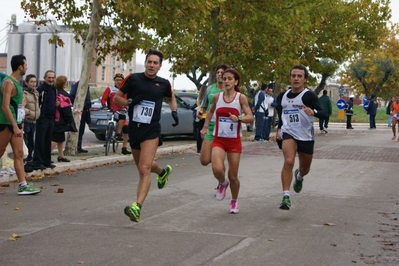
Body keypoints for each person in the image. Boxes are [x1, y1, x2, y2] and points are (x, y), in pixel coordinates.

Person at [114, 48, 179, 223]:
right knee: (144, 166)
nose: (151, 65)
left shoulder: (164, 83)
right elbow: (116, 98)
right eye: (149, 62)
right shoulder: (133, 79)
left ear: (160, 66)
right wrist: (129, 101)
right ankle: (163, 171)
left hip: (151, 130)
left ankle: (137, 207)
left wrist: (174, 111)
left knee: (144, 169)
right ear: (146, 63)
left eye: (155, 63)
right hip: (135, 129)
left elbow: (171, 97)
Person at [200, 68, 254, 213]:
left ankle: (234, 201)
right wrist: (205, 127)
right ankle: (223, 183)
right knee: (217, 169)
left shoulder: (240, 98)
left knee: (233, 175)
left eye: (230, 79)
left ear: (236, 82)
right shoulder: (217, 98)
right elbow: (211, 112)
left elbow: (250, 116)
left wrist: (239, 118)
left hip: (234, 141)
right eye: (225, 78)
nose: (227, 81)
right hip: (219, 139)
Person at [275, 65, 328, 210]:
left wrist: (314, 111)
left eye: (299, 76)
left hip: (305, 136)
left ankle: (299, 176)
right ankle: (286, 196)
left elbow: (324, 113)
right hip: (288, 133)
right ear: (290, 78)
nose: (296, 78)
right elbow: (282, 115)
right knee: (289, 160)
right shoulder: (282, 96)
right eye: (293, 76)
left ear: (304, 79)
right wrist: (279, 128)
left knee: (305, 168)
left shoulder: (309, 95)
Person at [0, 54, 41, 195]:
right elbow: (5, 107)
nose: (27, 67)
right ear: (20, 67)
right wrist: (15, 126)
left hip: (15, 124)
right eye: (26, 64)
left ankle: (23, 185)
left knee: (19, 153)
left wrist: (20, 123)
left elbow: (16, 106)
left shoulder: (16, 83)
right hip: (5, 123)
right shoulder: (8, 83)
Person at [197, 64, 228, 166]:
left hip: (223, 127)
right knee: (204, 160)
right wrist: (200, 112)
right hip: (210, 126)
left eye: (222, 73)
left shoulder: (229, 89)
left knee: (218, 161)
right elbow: (204, 106)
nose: (219, 75)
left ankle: (222, 180)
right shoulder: (210, 88)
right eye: (218, 72)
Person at [101, 73, 131, 155]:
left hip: (121, 111)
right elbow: (103, 99)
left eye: (120, 80)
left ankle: (124, 147)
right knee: (111, 122)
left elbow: (127, 101)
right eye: (117, 80)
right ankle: (111, 136)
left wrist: (126, 107)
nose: (118, 82)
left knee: (126, 128)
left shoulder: (125, 90)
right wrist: (104, 106)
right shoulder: (109, 89)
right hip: (111, 110)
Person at [32, 70, 57, 170]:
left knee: (48, 140)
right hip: (42, 118)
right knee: (40, 140)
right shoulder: (40, 89)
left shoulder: (54, 89)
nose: (51, 79)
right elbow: (37, 103)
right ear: (44, 78)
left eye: (52, 78)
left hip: (51, 117)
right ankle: (38, 161)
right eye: (49, 77)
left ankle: (47, 161)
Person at [51, 75, 76, 163]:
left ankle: (61, 155)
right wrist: (69, 121)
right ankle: (47, 155)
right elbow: (66, 109)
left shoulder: (54, 92)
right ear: (63, 84)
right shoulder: (64, 95)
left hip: (54, 118)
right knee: (55, 139)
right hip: (60, 119)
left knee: (61, 138)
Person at [69, 80, 91, 153]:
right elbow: (71, 96)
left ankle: (79, 146)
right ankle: (76, 146)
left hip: (84, 111)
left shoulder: (86, 85)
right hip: (79, 111)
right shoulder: (78, 85)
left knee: (81, 130)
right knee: (78, 129)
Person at [23, 74, 40, 163]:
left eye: (35, 82)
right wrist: (30, 112)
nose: (33, 84)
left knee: (31, 142)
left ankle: (30, 158)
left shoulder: (36, 93)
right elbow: (22, 107)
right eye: (31, 82)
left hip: (34, 121)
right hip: (26, 120)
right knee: (25, 141)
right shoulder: (24, 93)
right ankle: (24, 159)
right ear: (26, 83)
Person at [193, 85, 207, 155]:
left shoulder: (199, 98)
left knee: (199, 134)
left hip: (199, 117)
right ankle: (205, 149)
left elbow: (197, 106)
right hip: (206, 117)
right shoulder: (206, 98)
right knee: (206, 134)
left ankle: (199, 149)